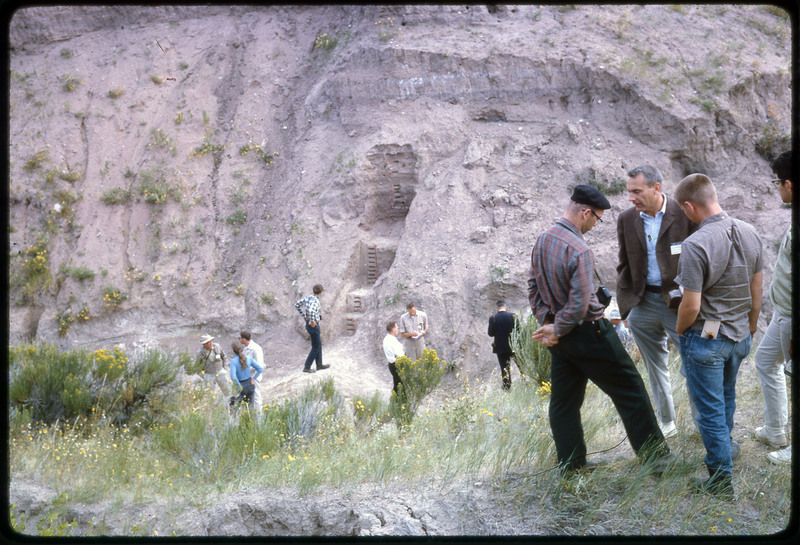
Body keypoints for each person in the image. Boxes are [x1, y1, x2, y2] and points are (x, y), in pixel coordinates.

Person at [528, 184, 673, 476]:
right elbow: (581, 302)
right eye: (597, 218)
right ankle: (657, 461)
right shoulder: (579, 249)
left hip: (562, 338)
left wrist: (548, 322)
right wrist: (558, 327)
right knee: (631, 391)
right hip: (590, 333)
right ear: (585, 212)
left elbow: (533, 285)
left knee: (564, 402)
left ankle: (571, 465)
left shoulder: (543, 240)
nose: (596, 224)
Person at [674, 173, 763, 497]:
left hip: (706, 339)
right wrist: (751, 326)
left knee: (709, 409)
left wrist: (680, 331)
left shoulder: (696, 244)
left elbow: (691, 304)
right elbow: (757, 289)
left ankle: (720, 480)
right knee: (727, 397)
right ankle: (725, 449)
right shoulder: (751, 231)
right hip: (740, 334)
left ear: (689, 205)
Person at [616, 165, 698, 438]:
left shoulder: (685, 213)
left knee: (693, 364)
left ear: (657, 188)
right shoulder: (627, 219)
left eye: (637, 191)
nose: (631, 198)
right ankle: (667, 422)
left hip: (679, 303)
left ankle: (702, 424)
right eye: (629, 192)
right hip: (643, 303)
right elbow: (624, 263)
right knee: (654, 367)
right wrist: (627, 301)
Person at [753, 150, 792, 462]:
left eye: (778, 182)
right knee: (766, 361)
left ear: (789, 184)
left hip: (793, 316)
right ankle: (775, 430)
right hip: (783, 311)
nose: (777, 188)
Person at [295, 284, 329, 373]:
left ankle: (319, 364)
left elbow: (297, 305)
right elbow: (311, 311)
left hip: (309, 324)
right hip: (313, 325)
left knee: (318, 344)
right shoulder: (316, 301)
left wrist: (303, 316)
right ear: (321, 292)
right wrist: (313, 321)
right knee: (316, 347)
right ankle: (307, 367)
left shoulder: (309, 297)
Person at [488, 300, 519, 390]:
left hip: (500, 347)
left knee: (504, 368)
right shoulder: (513, 316)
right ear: (505, 307)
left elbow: (490, 333)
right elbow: (518, 330)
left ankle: (506, 387)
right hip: (513, 346)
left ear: (497, 308)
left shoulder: (493, 318)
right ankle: (526, 381)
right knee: (521, 365)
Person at [229, 341, 263, 410]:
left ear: (233, 351)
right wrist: (253, 379)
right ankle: (251, 420)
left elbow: (233, 377)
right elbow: (260, 369)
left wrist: (239, 386)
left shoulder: (233, 361)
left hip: (241, 385)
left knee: (234, 407)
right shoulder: (248, 358)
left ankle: (234, 420)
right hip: (250, 384)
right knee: (249, 408)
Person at [239, 330, 264, 412]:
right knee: (248, 397)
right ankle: (250, 415)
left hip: (254, 376)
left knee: (256, 396)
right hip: (247, 376)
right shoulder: (245, 349)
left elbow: (259, 364)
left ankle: (259, 417)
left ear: (243, 339)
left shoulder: (256, 348)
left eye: (240, 338)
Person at [383, 321, 405, 393]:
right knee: (400, 385)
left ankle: (396, 401)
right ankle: (399, 402)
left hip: (393, 364)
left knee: (397, 384)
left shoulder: (388, 339)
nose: (398, 330)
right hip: (396, 364)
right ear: (393, 329)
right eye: (397, 328)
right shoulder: (391, 340)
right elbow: (398, 353)